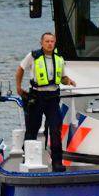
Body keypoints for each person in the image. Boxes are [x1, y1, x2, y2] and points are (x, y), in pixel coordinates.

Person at [16, 32, 76, 172]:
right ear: (41, 43)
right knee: (32, 129)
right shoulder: (33, 56)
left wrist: (69, 81)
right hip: (36, 96)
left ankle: (57, 163)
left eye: (52, 41)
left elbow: (62, 78)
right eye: (47, 41)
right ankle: (28, 158)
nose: (49, 44)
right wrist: (18, 87)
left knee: (55, 129)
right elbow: (20, 69)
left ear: (55, 43)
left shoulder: (59, 58)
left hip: (53, 98)